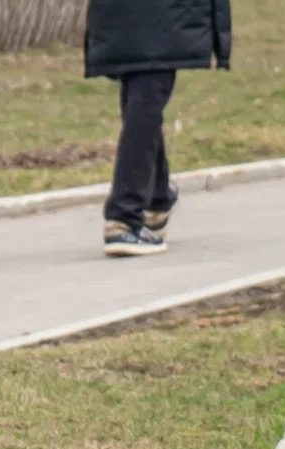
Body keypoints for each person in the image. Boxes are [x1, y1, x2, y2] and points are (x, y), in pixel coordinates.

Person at [84, 0, 232, 257]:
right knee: (144, 101)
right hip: (167, 15)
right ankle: (124, 217)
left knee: (140, 102)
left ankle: (158, 197)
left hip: (121, 15)